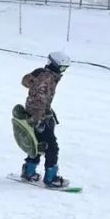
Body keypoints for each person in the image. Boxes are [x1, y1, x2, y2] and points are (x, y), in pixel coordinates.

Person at [19, 51, 70, 188]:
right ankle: (51, 177)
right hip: (37, 117)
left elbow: (27, 83)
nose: (64, 72)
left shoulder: (45, 75)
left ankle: (29, 171)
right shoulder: (46, 79)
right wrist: (39, 120)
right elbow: (37, 101)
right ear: (55, 65)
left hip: (33, 115)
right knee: (52, 146)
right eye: (63, 68)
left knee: (38, 143)